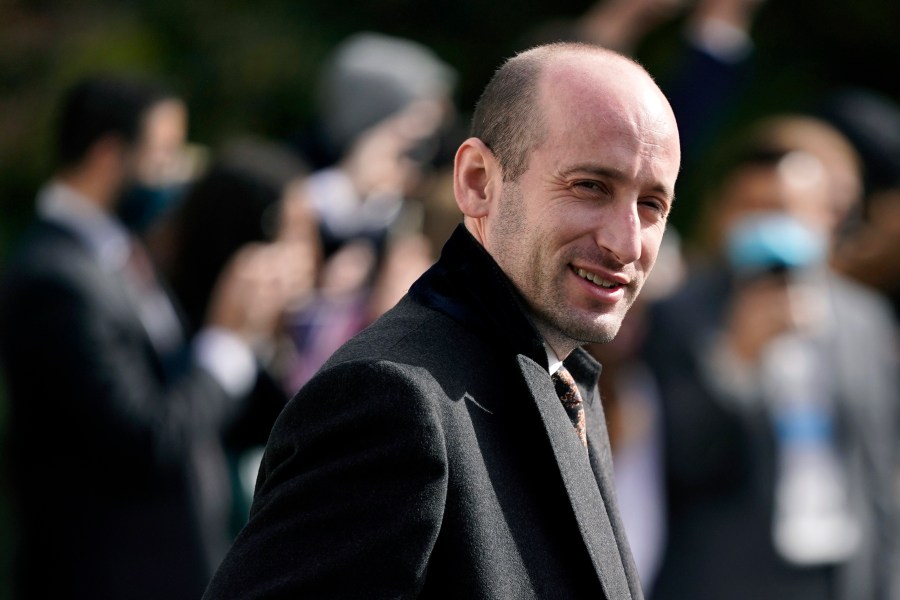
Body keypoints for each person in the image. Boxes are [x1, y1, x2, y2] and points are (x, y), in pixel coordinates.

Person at [203, 41, 681, 599]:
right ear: (478, 181)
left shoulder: (565, 378)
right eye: (590, 186)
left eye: (652, 204)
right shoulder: (390, 400)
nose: (625, 242)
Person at [0, 75, 293, 600]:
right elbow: (143, 437)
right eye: (163, 154)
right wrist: (226, 343)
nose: (176, 172)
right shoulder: (54, 278)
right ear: (110, 155)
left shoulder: (119, 255)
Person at [642, 115, 899, 600]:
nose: (767, 224)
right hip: (728, 578)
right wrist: (736, 362)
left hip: (842, 575)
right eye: (750, 209)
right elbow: (679, 463)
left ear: (828, 217)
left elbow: (880, 471)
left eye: (784, 209)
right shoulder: (681, 315)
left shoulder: (864, 319)